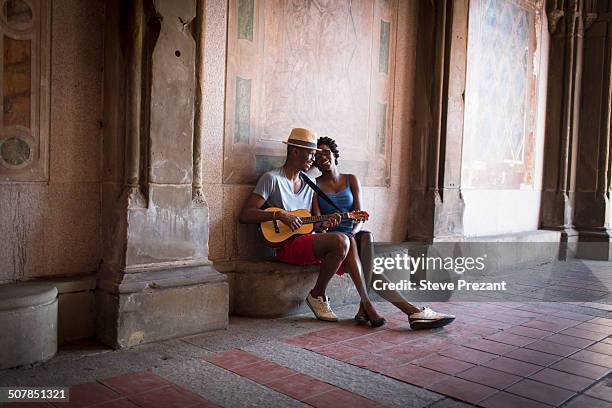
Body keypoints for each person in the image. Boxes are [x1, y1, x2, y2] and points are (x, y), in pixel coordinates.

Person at [238, 128, 384, 326]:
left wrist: (325, 224)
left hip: (307, 240)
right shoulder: (271, 179)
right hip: (285, 246)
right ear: (295, 152)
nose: (313, 160)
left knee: (347, 239)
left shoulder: (310, 183)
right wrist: (279, 214)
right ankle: (318, 295)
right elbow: (245, 215)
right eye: (310, 154)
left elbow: (314, 222)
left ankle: (359, 301)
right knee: (343, 240)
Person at [313, 136, 456, 329]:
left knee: (366, 236)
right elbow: (317, 224)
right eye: (317, 155)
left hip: (353, 235)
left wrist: (352, 231)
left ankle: (371, 307)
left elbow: (360, 217)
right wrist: (328, 225)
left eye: (325, 152)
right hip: (334, 241)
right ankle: (404, 310)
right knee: (359, 250)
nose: (322, 157)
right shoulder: (314, 185)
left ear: (334, 154)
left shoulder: (351, 180)